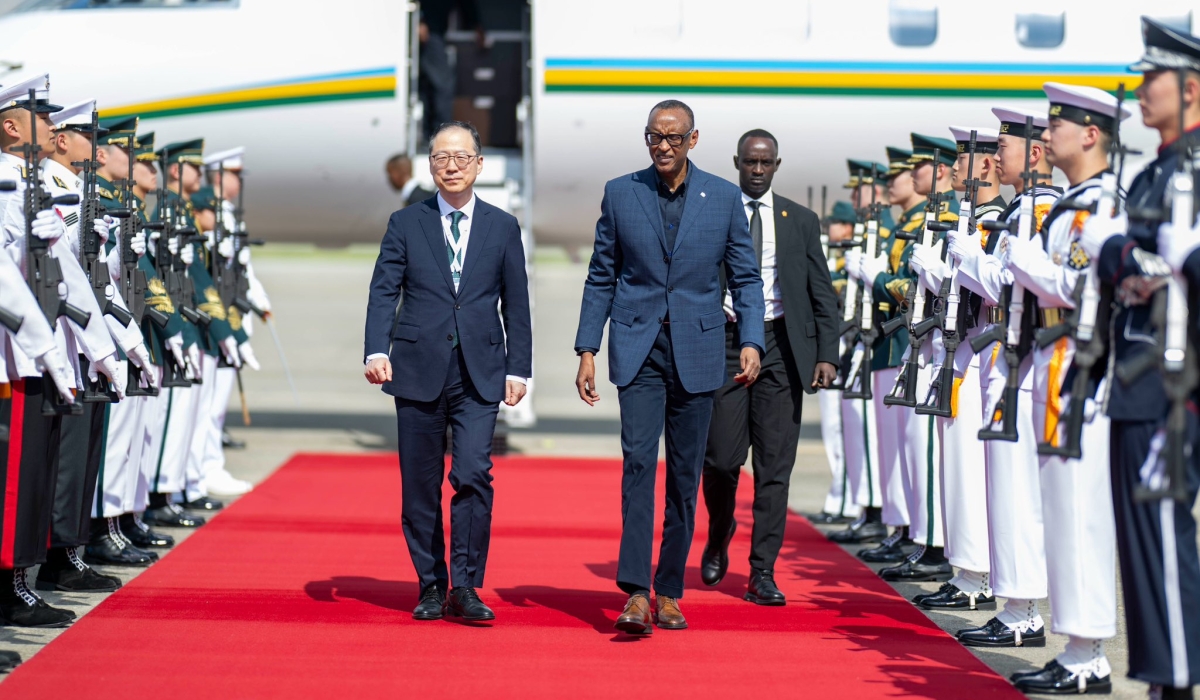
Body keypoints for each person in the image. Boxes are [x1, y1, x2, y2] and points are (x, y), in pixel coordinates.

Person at [574, 100, 763, 634]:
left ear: (693, 141)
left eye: (673, 138)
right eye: (654, 137)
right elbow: (601, 275)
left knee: (684, 477)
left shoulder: (724, 198)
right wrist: (587, 347)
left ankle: (670, 591)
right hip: (638, 349)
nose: (662, 146)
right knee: (638, 467)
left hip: (699, 351)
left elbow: (746, 279)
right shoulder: (621, 192)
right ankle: (635, 591)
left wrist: (751, 339)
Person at [364, 120, 531, 623]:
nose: (451, 166)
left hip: (480, 370)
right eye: (440, 158)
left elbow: (516, 304)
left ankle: (467, 584)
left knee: (474, 473)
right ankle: (431, 583)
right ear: (429, 165)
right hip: (416, 369)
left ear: (479, 164)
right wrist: (376, 350)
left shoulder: (502, 226)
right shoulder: (405, 223)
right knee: (419, 484)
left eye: (461, 157)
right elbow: (383, 290)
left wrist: (519, 368)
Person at [1082, 17, 1200, 699]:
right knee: (1144, 545)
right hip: (1138, 375)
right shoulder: (1158, 170)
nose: (1141, 88)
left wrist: (1121, 252)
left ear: (1189, 87)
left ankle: (1178, 681)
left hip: (1174, 383)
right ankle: (1165, 678)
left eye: (1153, 76)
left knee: (1162, 535)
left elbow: (1169, 267)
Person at [700, 129, 838, 605]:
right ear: (737, 163)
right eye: (750, 163)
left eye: (766, 163)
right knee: (719, 459)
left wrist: (826, 353)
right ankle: (719, 532)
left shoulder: (800, 221)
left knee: (775, 468)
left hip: (781, 345)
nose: (757, 171)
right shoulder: (714, 212)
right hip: (726, 340)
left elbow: (822, 291)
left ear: (777, 165)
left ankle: (763, 572)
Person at [956, 106, 1059, 649]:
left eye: (1005, 145)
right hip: (1005, 355)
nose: (996, 155)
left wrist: (968, 258)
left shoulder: (1039, 208)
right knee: (1005, 485)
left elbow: (1007, 284)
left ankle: (1023, 613)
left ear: (1035, 153)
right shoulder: (1023, 205)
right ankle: (1013, 603)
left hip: (1021, 354)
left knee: (1016, 488)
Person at [911, 125, 1006, 612]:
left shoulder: (997, 221)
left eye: (965, 159)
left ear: (986, 165)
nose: (954, 169)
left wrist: (935, 269)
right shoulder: (974, 219)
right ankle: (965, 569)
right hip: (960, 353)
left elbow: (989, 290)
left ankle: (979, 577)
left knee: (970, 469)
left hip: (979, 350)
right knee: (956, 467)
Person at [808, 199, 862, 525]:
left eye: (837, 223)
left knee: (845, 428)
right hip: (831, 344)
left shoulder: (850, 260)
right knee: (832, 426)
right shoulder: (833, 258)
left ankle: (848, 497)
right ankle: (838, 493)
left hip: (847, 345)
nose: (831, 228)